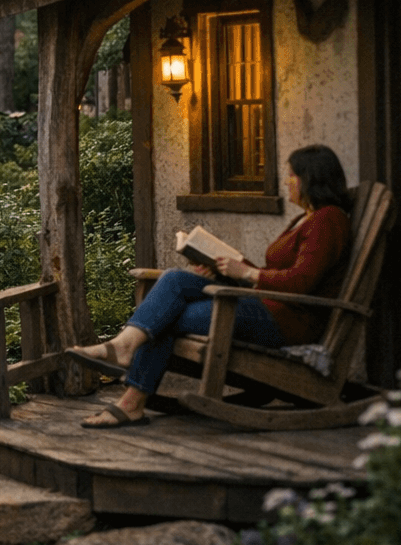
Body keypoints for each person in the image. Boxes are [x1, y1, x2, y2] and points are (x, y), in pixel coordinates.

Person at [67, 144, 353, 428]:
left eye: (291, 175)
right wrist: (226, 271)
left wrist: (248, 274)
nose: (287, 182)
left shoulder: (328, 220)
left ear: (309, 179)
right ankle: (127, 376)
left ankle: (128, 385)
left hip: (288, 321)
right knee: (174, 285)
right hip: (268, 308)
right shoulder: (305, 219)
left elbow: (302, 281)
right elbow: (278, 275)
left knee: (167, 311)